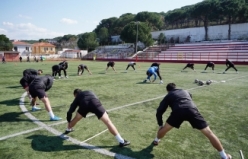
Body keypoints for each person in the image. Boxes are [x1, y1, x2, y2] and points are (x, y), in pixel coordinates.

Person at [153, 83, 231, 159]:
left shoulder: (168, 95)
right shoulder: (185, 91)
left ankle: (156, 140)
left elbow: (159, 111)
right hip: (192, 110)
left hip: (178, 112)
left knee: (164, 129)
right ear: (175, 87)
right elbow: (190, 98)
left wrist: (160, 125)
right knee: (209, 132)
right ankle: (224, 156)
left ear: (168, 90)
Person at [65, 89, 130, 147]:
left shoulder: (77, 97)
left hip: (84, 105)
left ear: (75, 94)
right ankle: (121, 141)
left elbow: (70, 111)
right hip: (94, 103)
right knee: (108, 122)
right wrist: (104, 111)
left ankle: (68, 128)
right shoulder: (89, 91)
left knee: (76, 119)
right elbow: (97, 100)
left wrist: (68, 120)